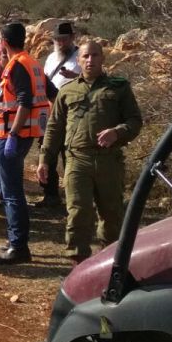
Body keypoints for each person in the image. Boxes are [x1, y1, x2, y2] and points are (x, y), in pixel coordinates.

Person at [38, 41, 142, 263]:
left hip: (108, 161)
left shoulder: (119, 87)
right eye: (85, 56)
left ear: (102, 58)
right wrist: (44, 160)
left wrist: (118, 132)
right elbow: (54, 128)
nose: (90, 60)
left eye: (95, 55)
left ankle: (109, 262)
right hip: (77, 160)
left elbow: (135, 120)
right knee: (78, 213)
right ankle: (78, 263)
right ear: (78, 60)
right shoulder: (67, 91)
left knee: (111, 214)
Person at [0, 23, 52, 265]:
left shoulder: (17, 64)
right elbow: (51, 92)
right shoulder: (32, 61)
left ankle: (18, 246)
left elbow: (25, 101)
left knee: (12, 193)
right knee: (7, 191)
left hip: (12, 136)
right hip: (20, 134)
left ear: (3, 40)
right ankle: (14, 240)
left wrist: (13, 135)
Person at [38, 22, 81, 207]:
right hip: (49, 111)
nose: (61, 43)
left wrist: (76, 77)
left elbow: (96, 80)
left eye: (64, 39)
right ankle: (50, 195)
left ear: (72, 38)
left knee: (70, 154)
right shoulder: (50, 58)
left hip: (73, 112)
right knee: (47, 153)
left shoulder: (82, 57)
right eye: (57, 39)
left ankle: (74, 197)